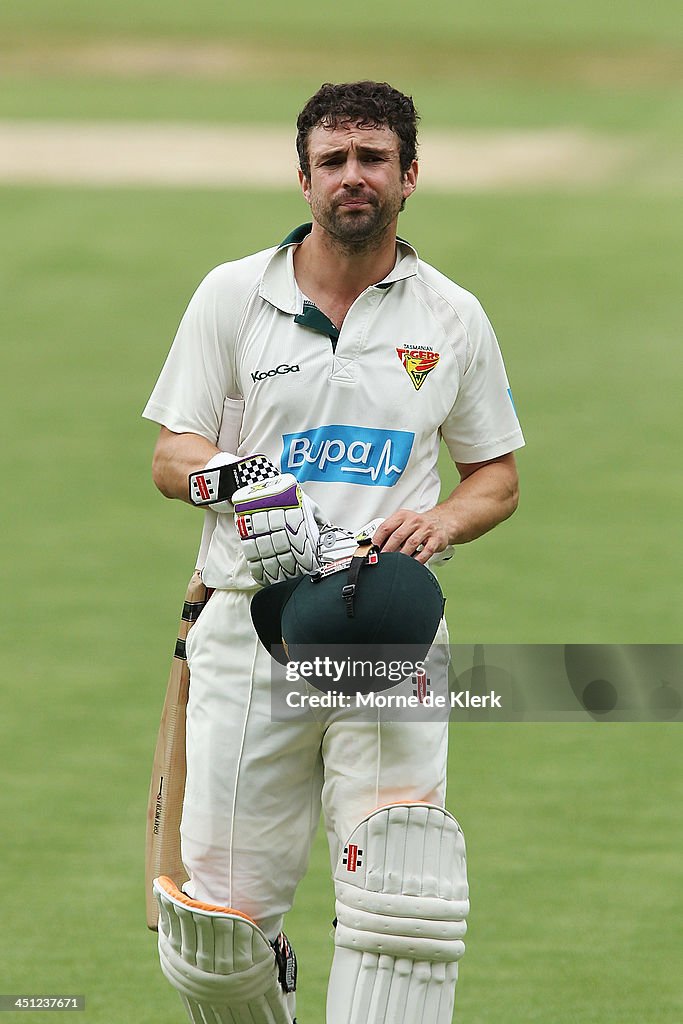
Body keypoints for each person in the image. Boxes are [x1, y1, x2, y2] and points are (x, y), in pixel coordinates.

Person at [143, 80, 524, 1024]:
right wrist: (246, 483)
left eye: (373, 159)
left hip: (388, 633)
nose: (352, 177)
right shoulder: (233, 295)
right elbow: (170, 454)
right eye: (333, 161)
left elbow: (495, 476)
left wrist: (443, 523)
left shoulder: (450, 317)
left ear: (409, 175)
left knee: (402, 900)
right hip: (248, 627)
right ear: (303, 176)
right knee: (216, 936)